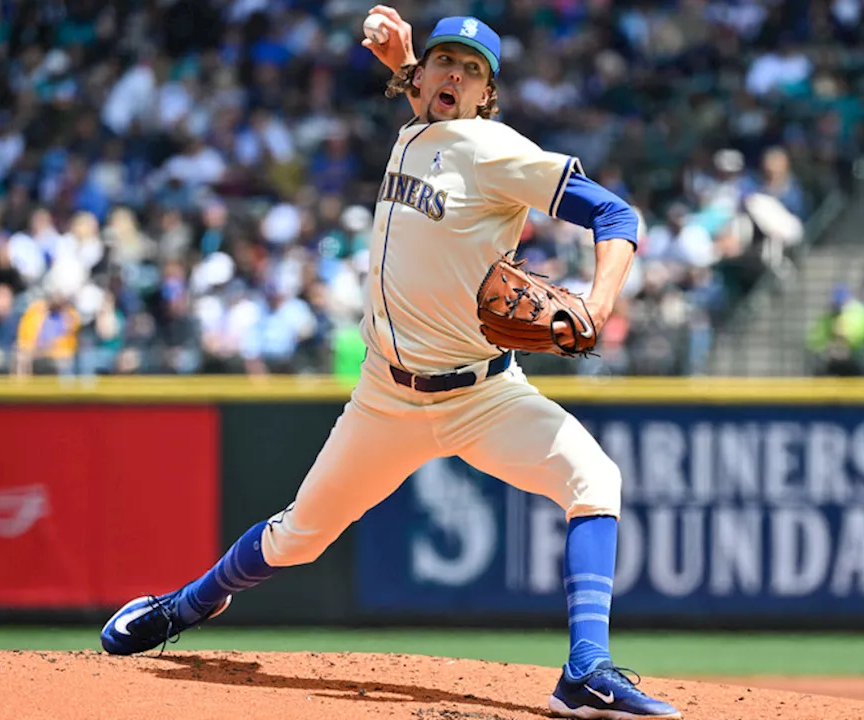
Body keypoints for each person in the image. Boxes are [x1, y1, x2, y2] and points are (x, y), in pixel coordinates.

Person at [100, 8, 680, 719]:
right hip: (386, 399)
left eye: (472, 71)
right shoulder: (418, 127)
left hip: (484, 396)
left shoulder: (493, 146)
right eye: (445, 62)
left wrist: (598, 300)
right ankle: (188, 604)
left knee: (596, 479)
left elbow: (618, 216)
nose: (453, 76)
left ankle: (585, 669)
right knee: (295, 539)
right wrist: (407, 63)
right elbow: (427, 106)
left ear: (487, 96)